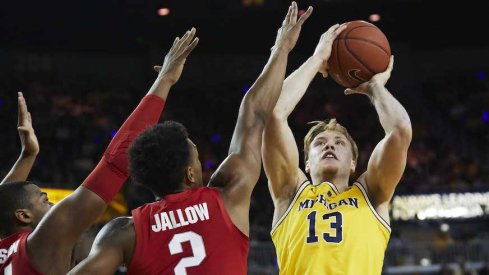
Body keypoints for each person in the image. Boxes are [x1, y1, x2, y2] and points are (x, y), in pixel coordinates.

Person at [68, 2, 313, 275]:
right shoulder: (229, 194)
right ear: (189, 173)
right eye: (198, 157)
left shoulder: (124, 232)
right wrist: (281, 49)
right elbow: (254, 112)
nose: (203, 164)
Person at [0, 28, 199, 275]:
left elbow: (3, 205)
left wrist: (27, 156)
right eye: (44, 200)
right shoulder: (41, 243)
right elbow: (115, 164)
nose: (53, 205)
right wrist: (165, 80)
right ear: (23, 216)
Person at [261, 29, 412, 273]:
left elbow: (400, 130)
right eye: (319, 143)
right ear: (306, 163)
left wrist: (375, 88)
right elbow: (273, 112)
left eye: (339, 143)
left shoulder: (372, 194)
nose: (329, 145)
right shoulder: (290, 192)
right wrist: (317, 60)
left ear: (354, 163)